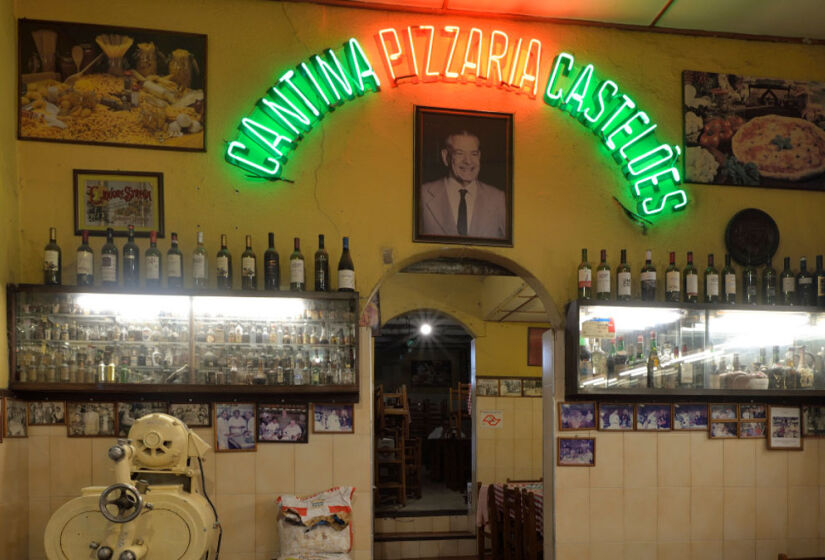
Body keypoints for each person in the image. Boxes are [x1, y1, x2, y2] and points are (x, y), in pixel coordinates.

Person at [419, 131, 506, 239]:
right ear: (445, 156)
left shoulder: (498, 198)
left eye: (473, 154)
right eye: (459, 153)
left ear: (479, 156)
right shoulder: (423, 195)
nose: (468, 161)